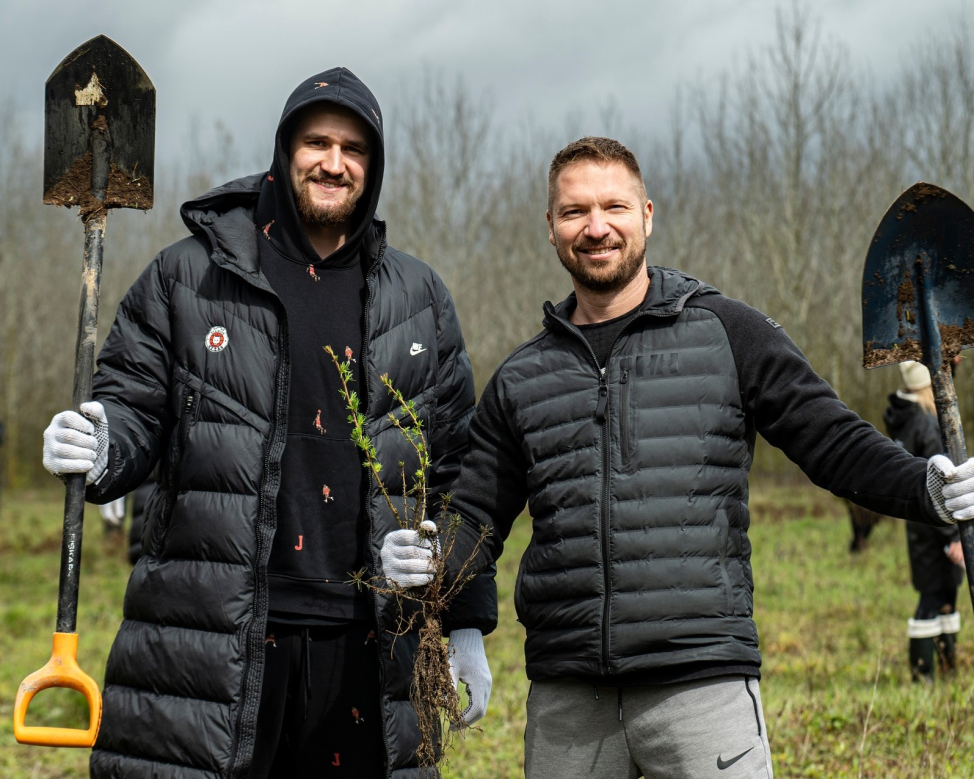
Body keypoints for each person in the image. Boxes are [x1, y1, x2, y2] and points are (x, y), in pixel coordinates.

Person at [381, 136, 974, 778]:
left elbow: (831, 442)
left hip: (702, 687)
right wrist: (432, 569)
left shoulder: (727, 332)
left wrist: (926, 486)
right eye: (575, 211)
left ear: (648, 216)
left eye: (615, 206)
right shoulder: (523, 377)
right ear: (550, 229)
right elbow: (476, 515)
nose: (596, 227)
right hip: (569, 699)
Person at [41, 67, 495, 779]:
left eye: (354, 149)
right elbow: (132, 406)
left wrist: (464, 614)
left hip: (364, 647)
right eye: (316, 141)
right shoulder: (188, 277)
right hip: (211, 640)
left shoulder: (418, 298)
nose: (333, 162)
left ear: (372, 168)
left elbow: (458, 468)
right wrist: (101, 442)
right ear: (285, 151)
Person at [885, 360, 964, 682]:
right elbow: (941, 485)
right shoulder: (927, 424)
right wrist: (953, 537)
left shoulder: (904, 417)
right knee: (933, 598)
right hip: (938, 526)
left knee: (944, 593)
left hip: (918, 524)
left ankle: (946, 665)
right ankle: (924, 675)